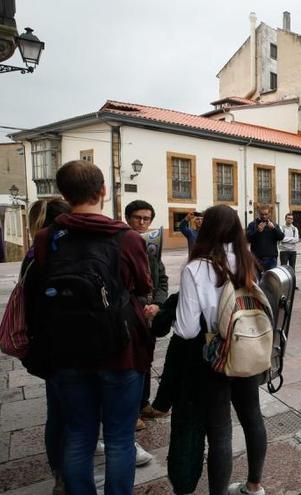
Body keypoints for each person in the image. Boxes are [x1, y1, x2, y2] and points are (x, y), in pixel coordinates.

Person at [25, 160, 152, 494]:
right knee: (119, 439)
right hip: (119, 350)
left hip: (65, 350)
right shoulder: (127, 238)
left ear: (64, 194)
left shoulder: (45, 238)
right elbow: (142, 286)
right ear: (103, 192)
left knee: (79, 435)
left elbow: (36, 289)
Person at [172, 205, 268, 495]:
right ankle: (254, 486)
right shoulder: (248, 261)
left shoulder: (196, 268)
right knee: (252, 417)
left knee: (220, 431)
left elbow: (186, 329)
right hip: (248, 349)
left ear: (206, 229)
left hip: (214, 357)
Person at [20, 198, 70, 494]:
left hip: (47, 346)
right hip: (69, 346)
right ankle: (67, 473)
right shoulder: (58, 254)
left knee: (58, 413)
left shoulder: (32, 255)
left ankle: (61, 475)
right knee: (70, 416)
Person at [124, 200, 170, 463]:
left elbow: (161, 278)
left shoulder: (152, 248)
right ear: (128, 218)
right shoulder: (120, 244)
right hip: (131, 314)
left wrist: (158, 303)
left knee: (146, 359)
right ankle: (131, 412)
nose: (142, 223)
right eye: (137, 218)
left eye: (146, 218)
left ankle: (143, 404)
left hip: (150, 314)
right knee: (131, 363)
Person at [246, 207, 285, 272]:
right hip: (256, 258)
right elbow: (247, 239)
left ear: (269, 214)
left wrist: (273, 229)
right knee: (257, 280)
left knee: (270, 281)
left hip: (271, 259)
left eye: (266, 214)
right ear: (259, 214)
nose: (264, 216)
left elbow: (281, 237)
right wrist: (257, 231)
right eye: (262, 214)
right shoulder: (252, 224)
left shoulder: (274, 224)